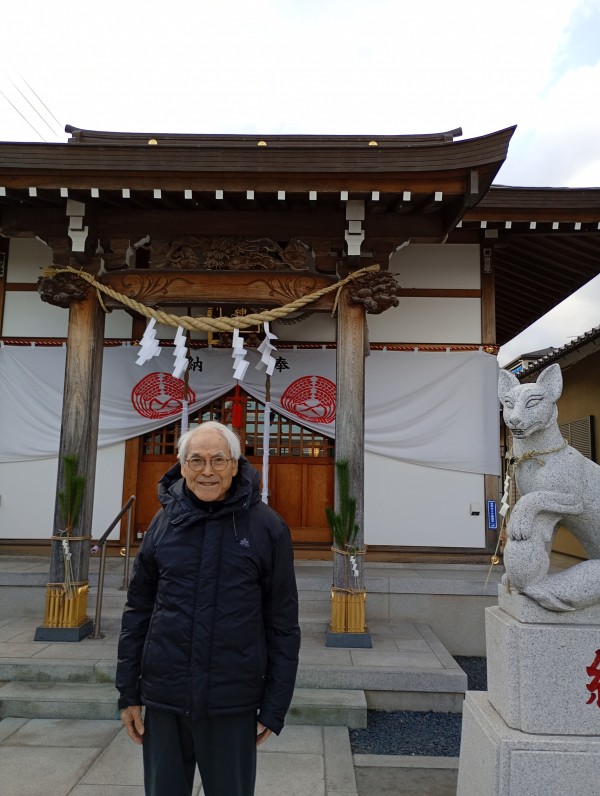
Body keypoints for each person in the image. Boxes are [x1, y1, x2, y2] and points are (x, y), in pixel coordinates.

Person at [116, 420, 300, 796]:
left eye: (218, 460)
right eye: (196, 460)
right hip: (165, 696)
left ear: (235, 465)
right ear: (182, 467)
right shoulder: (162, 524)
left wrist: (275, 706)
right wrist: (128, 692)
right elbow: (138, 611)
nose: (207, 471)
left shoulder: (267, 527)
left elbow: (282, 623)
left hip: (232, 699)